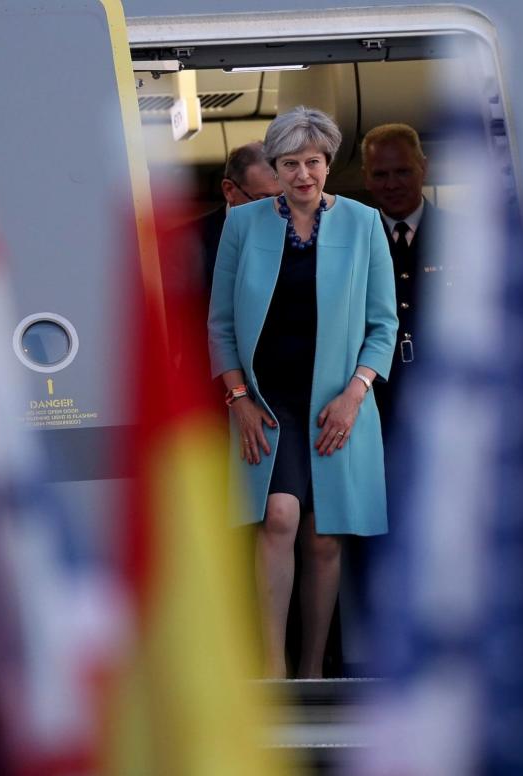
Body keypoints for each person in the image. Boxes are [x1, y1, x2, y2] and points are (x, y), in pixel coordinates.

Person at [208, 106, 397, 679]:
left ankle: (312, 672)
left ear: (327, 163)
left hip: (340, 402)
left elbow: (383, 324)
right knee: (280, 516)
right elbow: (220, 323)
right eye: (289, 164)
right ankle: (271, 670)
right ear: (276, 168)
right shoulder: (243, 225)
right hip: (269, 402)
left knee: (322, 538)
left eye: (312, 162)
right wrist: (237, 398)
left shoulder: (364, 224)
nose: (302, 175)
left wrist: (355, 394)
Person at [361, 123, 446, 428]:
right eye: (380, 175)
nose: (392, 184)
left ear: (424, 168)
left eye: (403, 171)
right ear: (365, 178)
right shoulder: (354, 243)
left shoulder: (461, 238)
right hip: (377, 400)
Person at [196, 141, 282, 291]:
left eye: (282, 198)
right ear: (229, 190)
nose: (276, 211)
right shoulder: (186, 244)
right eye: (263, 200)